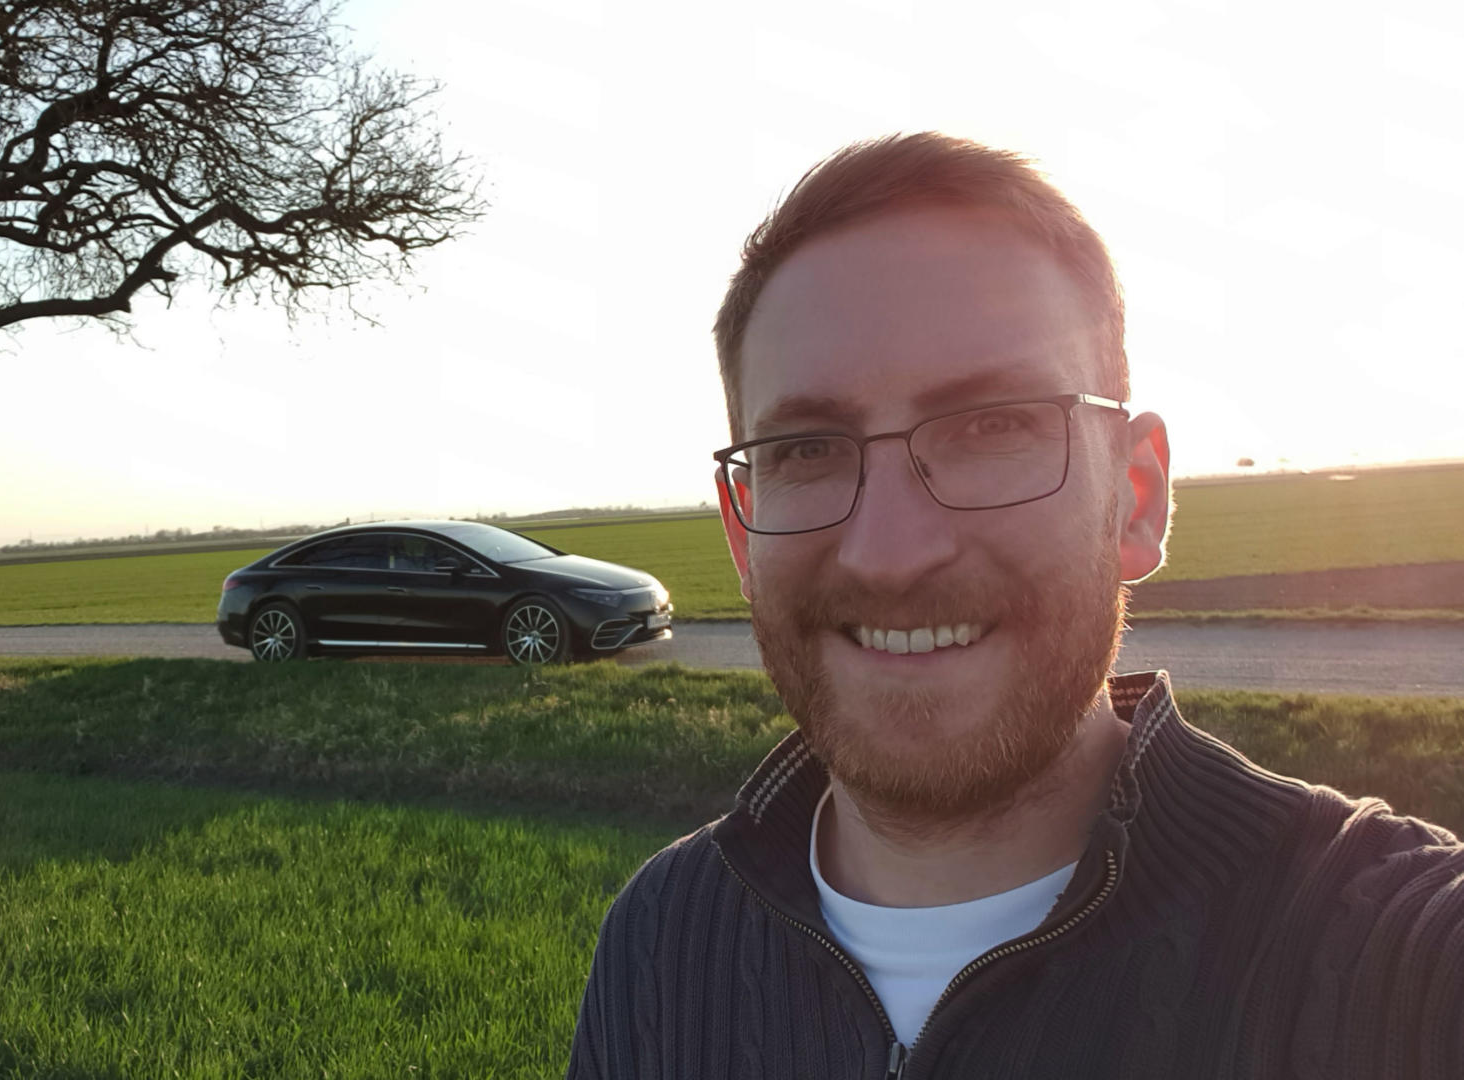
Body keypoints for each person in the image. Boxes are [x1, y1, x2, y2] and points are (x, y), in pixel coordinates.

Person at [566, 133, 1464, 1079]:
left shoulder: (1401, 959)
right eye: (806, 449)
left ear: (1138, 497)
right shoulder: (665, 940)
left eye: (994, 427)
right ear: (743, 534)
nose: (891, 553)